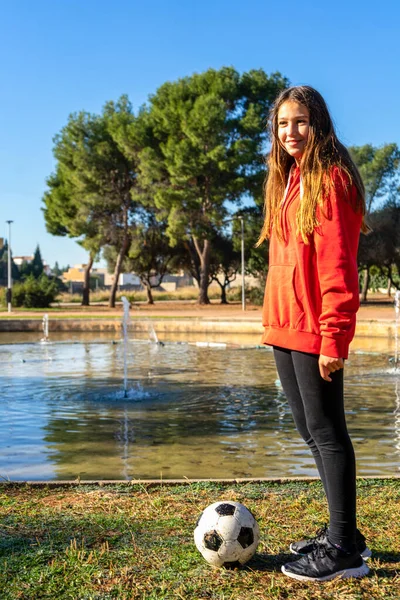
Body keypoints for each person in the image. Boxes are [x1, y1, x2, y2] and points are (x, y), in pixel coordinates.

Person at [258, 85, 371, 582]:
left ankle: (344, 551)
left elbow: (338, 268)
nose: (291, 132)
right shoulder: (287, 180)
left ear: (319, 123)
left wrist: (333, 338)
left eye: (300, 122)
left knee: (328, 434)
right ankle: (342, 532)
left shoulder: (330, 179)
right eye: (283, 124)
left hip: (312, 329)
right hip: (285, 325)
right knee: (310, 432)